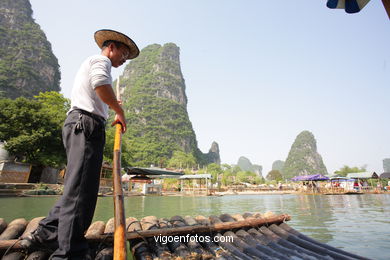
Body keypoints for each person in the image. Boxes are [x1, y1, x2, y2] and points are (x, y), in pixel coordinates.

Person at [21, 29, 139, 259]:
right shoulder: (100, 60)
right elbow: (100, 83)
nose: (124, 60)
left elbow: (99, 91)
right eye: (123, 53)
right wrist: (119, 110)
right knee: (81, 192)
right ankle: (69, 253)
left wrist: (111, 105)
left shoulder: (97, 64)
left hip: (82, 125)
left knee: (78, 187)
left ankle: (44, 235)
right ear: (111, 47)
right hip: (85, 125)